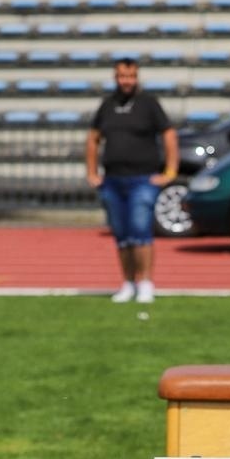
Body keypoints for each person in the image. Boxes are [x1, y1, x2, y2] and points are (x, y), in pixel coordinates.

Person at [85, 57, 177, 304]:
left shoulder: (149, 104)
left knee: (140, 232)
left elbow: (169, 135)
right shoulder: (107, 105)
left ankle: (146, 282)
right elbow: (93, 138)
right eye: (122, 77)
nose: (127, 81)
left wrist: (170, 170)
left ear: (137, 77)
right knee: (122, 235)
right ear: (116, 77)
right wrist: (92, 172)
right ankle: (128, 282)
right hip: (113, 181)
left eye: (131, 76)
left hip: (143, 180)